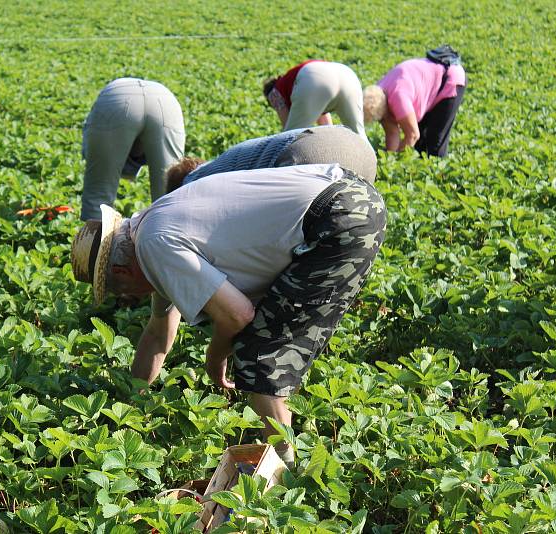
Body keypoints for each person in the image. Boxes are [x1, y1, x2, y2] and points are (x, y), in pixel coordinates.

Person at [71, 150, 385, 466]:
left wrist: (214, 357)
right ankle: (287, 446)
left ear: (123, 273)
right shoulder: (150, 226)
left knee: (259, 352)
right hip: (346, 194)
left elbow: (237, 315)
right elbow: (157, 333)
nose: (130, 301)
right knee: (273, 334)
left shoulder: (155, 245)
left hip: (338, 219)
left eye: (122, 294)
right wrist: (132, 403)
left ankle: (287, 474)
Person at [80, 77, 185, 221]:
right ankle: (165, 241)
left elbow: (92, 155)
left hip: (115, 98)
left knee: (98, 199)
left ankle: (94, 242)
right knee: (169, 200)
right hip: (166, 101)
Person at [165, 125, 377, 193]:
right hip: (359, 147)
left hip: (306, 154)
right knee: (352, 224)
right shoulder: (226, 162)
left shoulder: (191, 184)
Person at [363, 58, 466, 157]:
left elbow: (412, 135)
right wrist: (390, 158)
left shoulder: (399, 98)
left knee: (435, 140)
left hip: (450, 79)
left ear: (386, 109)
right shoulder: (376, 93)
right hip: (428, 83)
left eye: (383, 118)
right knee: (420, 144)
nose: (384, 121)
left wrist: (397, 162)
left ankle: (437, 172)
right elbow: (392, 133)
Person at [263, 61, 366, 138]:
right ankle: (374, 165)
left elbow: (287, 132)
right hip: (347, 74)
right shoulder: (290, 82)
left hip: (315, 77)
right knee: (359, 137)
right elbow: (327, 127)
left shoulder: (273, 93)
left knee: (291, 139)